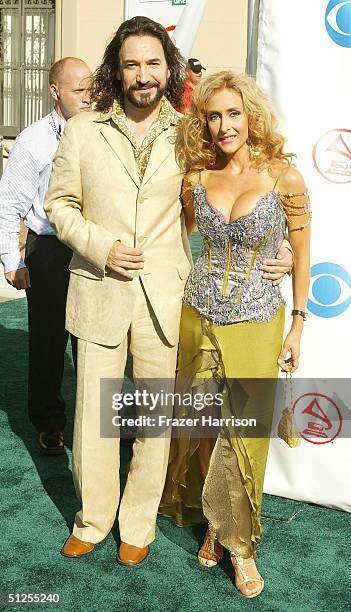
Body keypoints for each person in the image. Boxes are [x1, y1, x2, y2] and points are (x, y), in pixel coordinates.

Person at [44, 17, 292, 564]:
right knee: (94, 415)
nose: (142, 74)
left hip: (166, 297)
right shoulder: (83, 129)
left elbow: (244, 185)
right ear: (117, 68)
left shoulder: (189, 135)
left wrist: (284, 249)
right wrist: (99, 245)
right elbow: (58, 205)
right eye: (131, 63)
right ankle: (92, 518)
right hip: (99, 286)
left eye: (153, 62)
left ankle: (137, 524)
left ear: (167, 68)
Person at [159, 71, 311, 597]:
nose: (224, 125)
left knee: (243, 435)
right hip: (197, 313)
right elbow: (174, 243)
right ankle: (216, 528)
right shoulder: (195, 179)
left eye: (234, 114)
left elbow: (303, 255)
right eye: (214, 115)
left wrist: (298, 321)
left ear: (251, 116)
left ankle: (242, 548)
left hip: (258, 320)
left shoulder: (283, 177)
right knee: (203, 428)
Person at [0, 57, 92, 454]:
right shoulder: (33, 141)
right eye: (79, 91)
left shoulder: (104, 131)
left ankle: (98, 426)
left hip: (95, 247)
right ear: (55, 92)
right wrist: (12, 261)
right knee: (49, 342)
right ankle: (50, 423)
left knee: (96, 342)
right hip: (50, 250)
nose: (89, 98)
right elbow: (9, 205)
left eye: (92, 89)